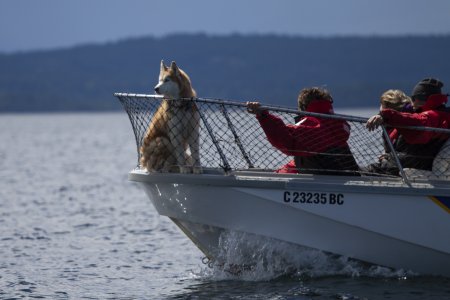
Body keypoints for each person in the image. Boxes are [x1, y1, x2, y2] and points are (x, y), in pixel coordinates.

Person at [247, 87, 359, 176]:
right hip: (348, 174)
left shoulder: (311, 122)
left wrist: (263, 115)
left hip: (324, 180)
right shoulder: (336, 123)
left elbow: (286, 141)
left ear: (303, 107)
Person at [366, 78, 450, 176]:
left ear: (422, 98)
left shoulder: (433, 115)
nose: (411, 102)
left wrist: (385, 115)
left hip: (410, 167)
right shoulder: (441, 114)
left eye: (414, 98)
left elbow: (417, 122)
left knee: (356, 171)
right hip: (412, 163)